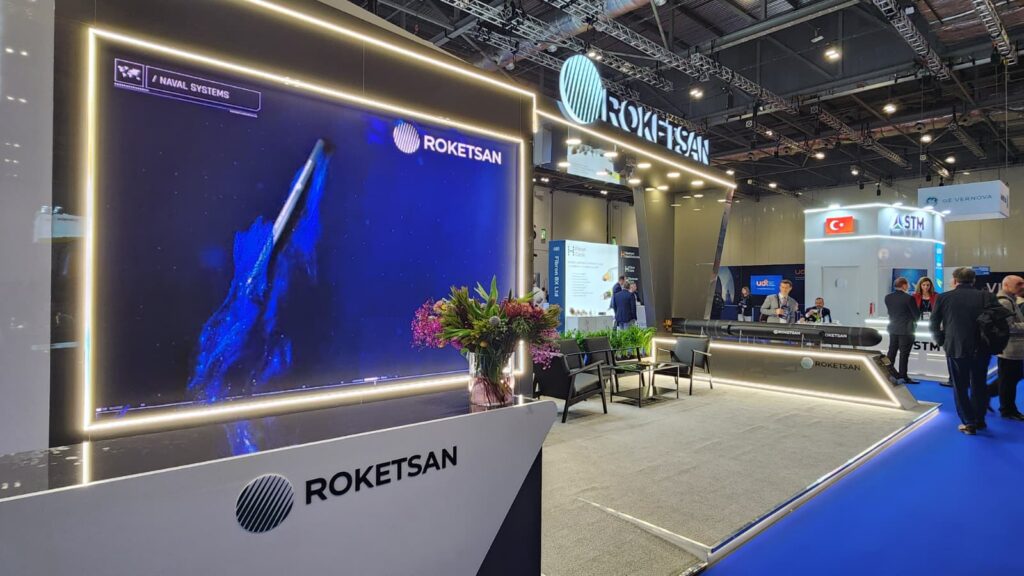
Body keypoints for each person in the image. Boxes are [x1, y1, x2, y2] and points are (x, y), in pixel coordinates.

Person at [930, 267, 998, 435]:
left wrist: (942, 341)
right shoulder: (987, 296)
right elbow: (997, 321)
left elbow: (934, 323)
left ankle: (969, 422)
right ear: (973, 280)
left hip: (956, 347)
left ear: (955, 280)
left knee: (960, 386)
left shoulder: (943, 297)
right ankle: (979, 420)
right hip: (982, 347)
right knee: (979, 384)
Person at [987, 275, 1024, 421]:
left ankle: (988, 393)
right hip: (1009, 348)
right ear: (1007, 286)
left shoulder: (1010, 300)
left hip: (1012, 348)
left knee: (1010, 378)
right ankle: (1007, 410)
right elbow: (1008, 327)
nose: (1022, 286)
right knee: (1008, 380)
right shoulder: (1004, 302)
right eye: (1019, 284)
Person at [885, 277, 921, 384]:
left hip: (893, 328)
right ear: (904, 285)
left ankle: (888, 373)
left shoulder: (888, 297)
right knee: (904, 354)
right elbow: (916, 316)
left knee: (891, 352)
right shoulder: (909, 298)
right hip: (906, 330)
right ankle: (903, 376)